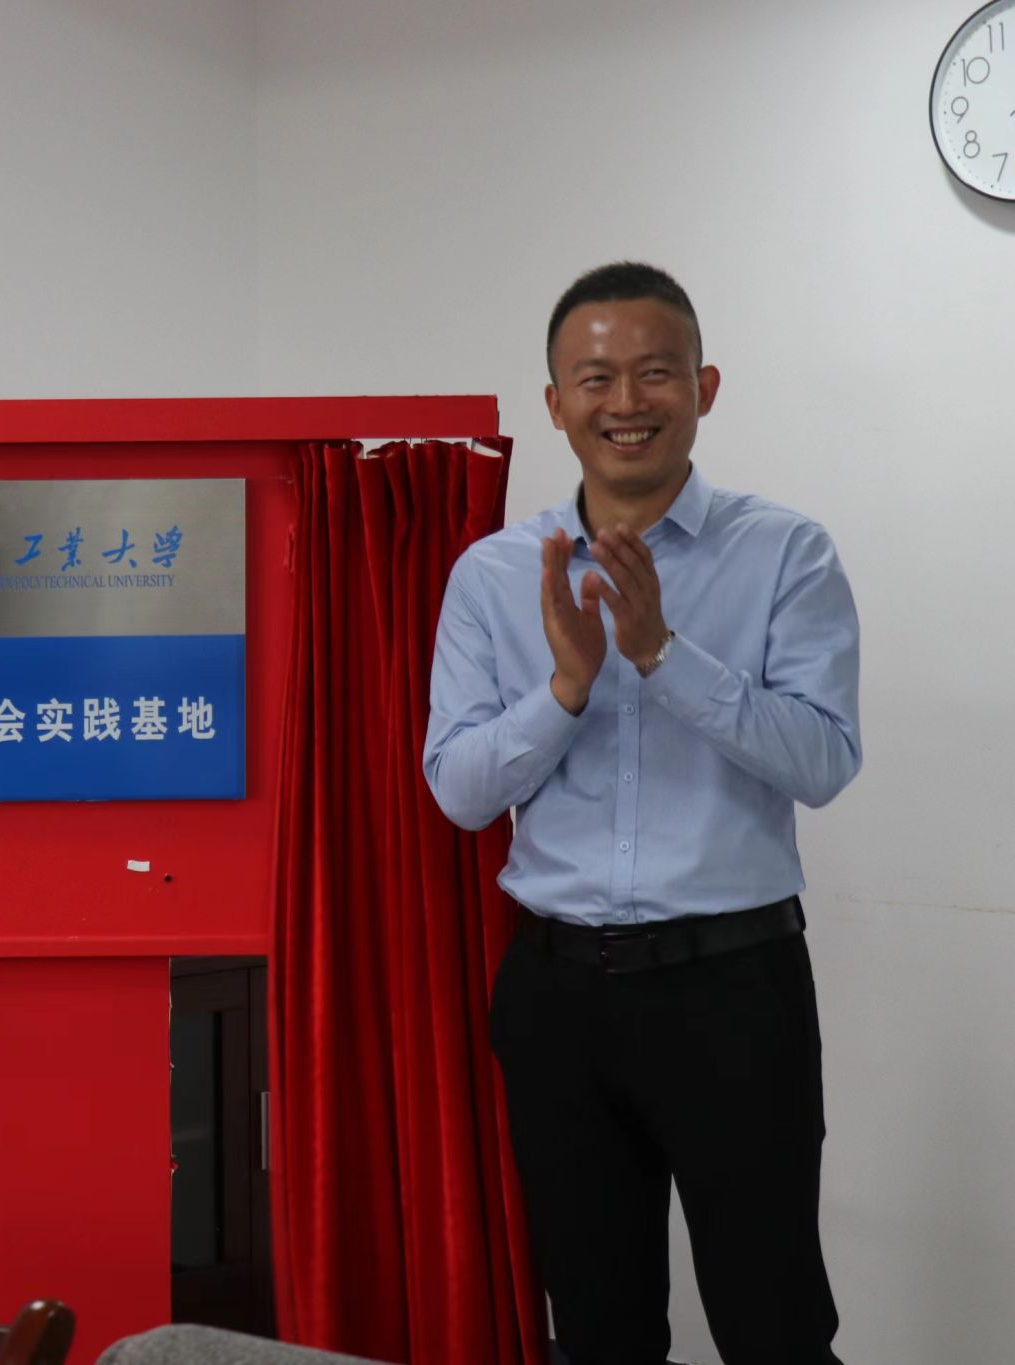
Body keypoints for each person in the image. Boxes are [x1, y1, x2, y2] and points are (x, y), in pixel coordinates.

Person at [423, 262, 861, 1365]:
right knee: (597, 1330)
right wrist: (564, 689)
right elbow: (460, 791)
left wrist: (663, 655)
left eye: (655, 373)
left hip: (732, 989)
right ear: (554, 402)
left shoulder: (785, 553)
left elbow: (822, 760)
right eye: (595, 377)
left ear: (703, 388)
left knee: (774, 1325)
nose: (626, 401)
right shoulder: (492, 575)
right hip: (557, 995)